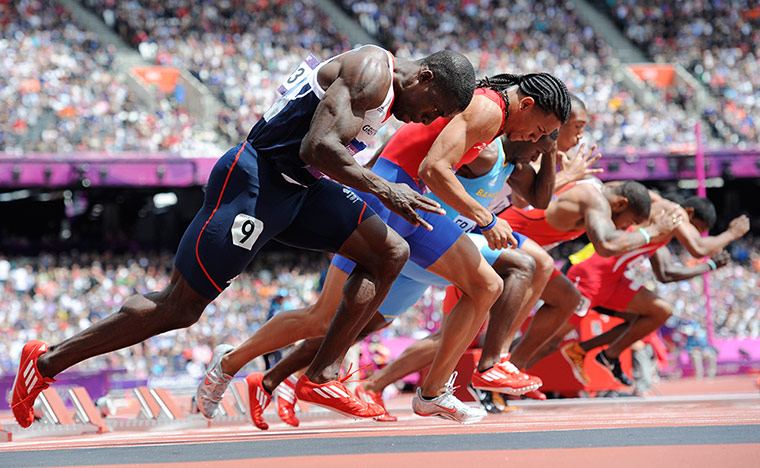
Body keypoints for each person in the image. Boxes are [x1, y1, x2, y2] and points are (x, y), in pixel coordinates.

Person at [10, 45, 477, 428]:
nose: (424, 120)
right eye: (431, 110)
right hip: (257, 181)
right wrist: (385, 189)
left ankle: (321, 375)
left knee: (388, 251)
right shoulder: (373, 72)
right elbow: (316, 146)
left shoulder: (389, 91)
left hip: (303, 189)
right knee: (180, 308)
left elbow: (323, 154)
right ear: (425, 79)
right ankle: (47, 362)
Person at [197, 72, 573, 424]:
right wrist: (487, 220)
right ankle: (231, 362)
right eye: (539, 130)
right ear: (525, 105)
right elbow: (433, 169)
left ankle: (433, 392)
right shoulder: (489, 110)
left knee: (487, 286)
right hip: (390, 197)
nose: (534, 139)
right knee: (322, 317)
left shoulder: (496, 118)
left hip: (413, 205)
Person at [558, 195, 749, 385]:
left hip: (611, 281)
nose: (693, 235)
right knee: (553, 337)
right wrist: (732, 234)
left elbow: (666, 274)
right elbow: (698, 247)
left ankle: (602, 354)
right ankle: (528, 367)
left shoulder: (661, 234)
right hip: (585, 271)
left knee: (658, 311)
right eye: (696, 229)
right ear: (689, 213)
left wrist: (710, 267)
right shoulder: (673, 213)